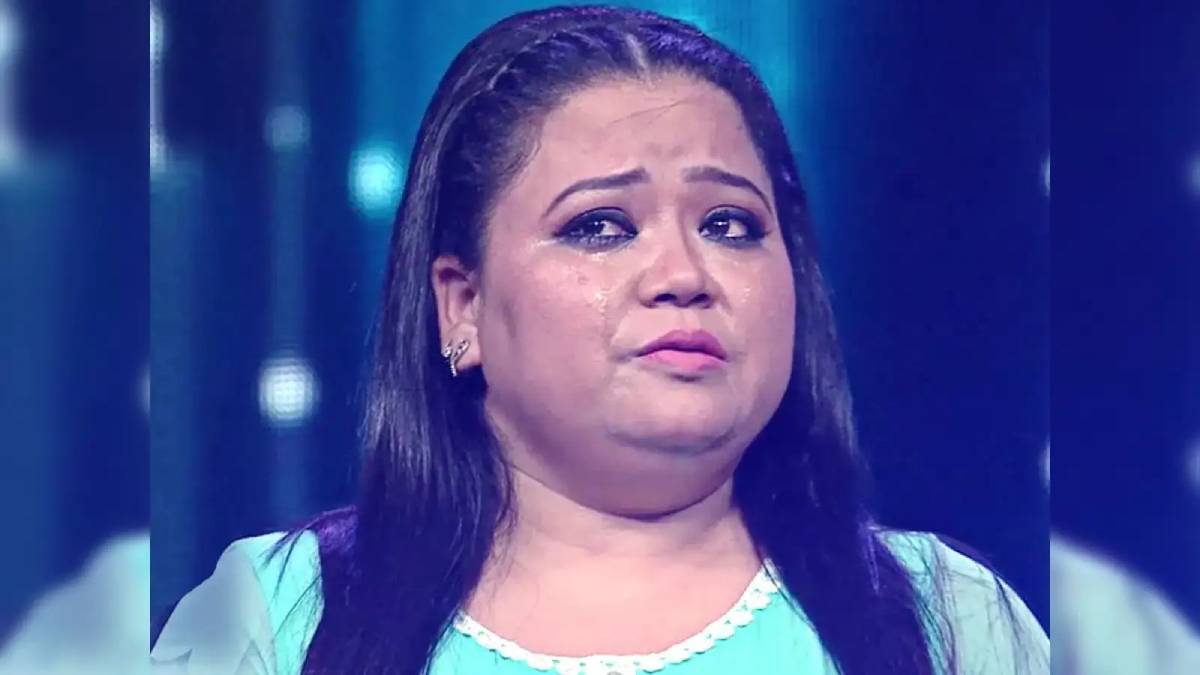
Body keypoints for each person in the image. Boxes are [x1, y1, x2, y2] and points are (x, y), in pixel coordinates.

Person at [152, 5, 1048, 674]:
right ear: (461, 306)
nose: (684, 273)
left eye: (730, 224)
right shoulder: (281, 620)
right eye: (601, 226)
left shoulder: (947, 621)